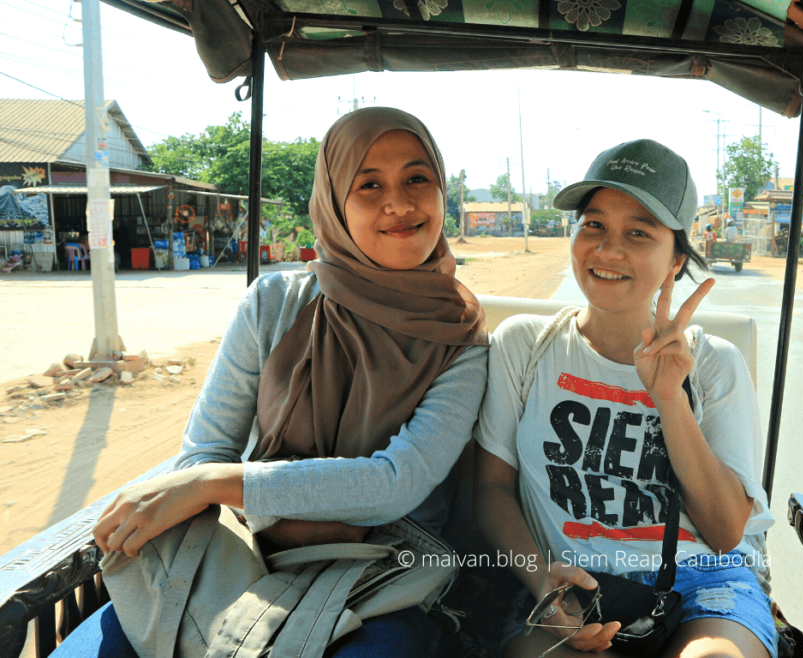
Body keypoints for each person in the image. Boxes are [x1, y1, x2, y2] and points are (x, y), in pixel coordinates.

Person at [57, 107, 489, 658]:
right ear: (334, 202)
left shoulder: (462, 337)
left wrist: (220, 485)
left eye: (416, 179)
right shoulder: (272, 305)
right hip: (248, 551)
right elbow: (203, 454)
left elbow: (397, 484)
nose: (399, 203)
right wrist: (254, 505)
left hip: (385, 568)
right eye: (369, 184)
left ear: (441, 190)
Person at [475, 139, 777, 658]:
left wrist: (669, 398)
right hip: (570, 585)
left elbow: (727, 533)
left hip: (705, 583)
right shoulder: (524, 347)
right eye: (593, 225)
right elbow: (492, 490)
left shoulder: (712, 365)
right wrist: (544, 588)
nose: (608, 250)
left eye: (638, 233)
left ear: (676, 258)